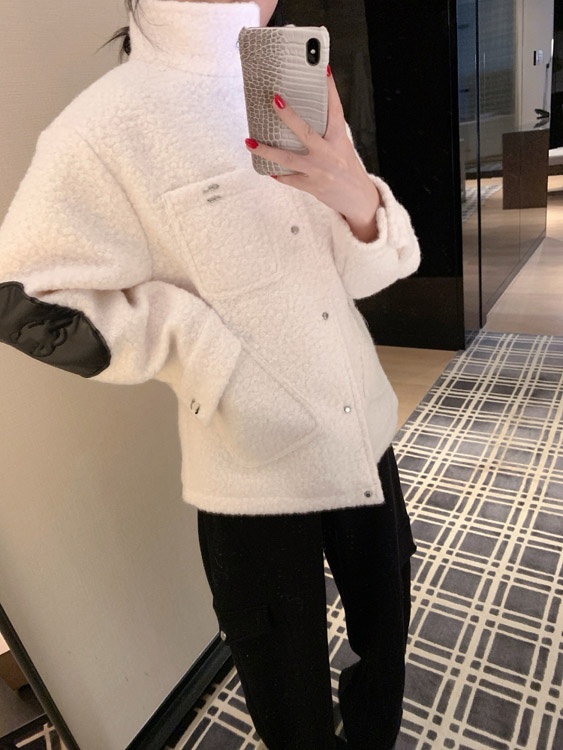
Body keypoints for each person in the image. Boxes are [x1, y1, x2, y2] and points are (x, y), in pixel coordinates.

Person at [0, 1, 420, 748]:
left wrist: (357, 199)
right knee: (288, 695)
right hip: (251, 473)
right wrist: (199, 347)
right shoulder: (108, 125)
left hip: (362, 437)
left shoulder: (289, 81)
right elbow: (22, 297)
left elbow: (365, 275)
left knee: (384, 639)